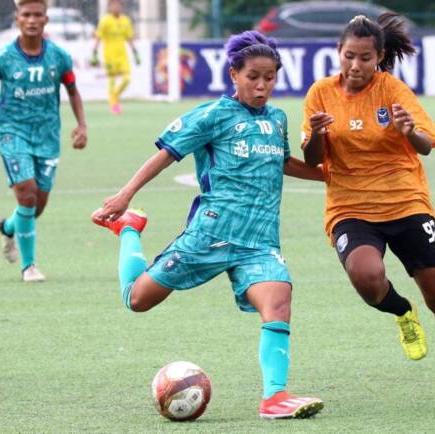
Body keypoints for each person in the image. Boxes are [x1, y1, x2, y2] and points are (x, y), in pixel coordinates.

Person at [92, 30, 325, 419]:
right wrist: (125, 196)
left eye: (269, 77)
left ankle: (274, 397)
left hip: (259, 240)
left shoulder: (277, 119)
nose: (262, 85)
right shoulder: (213, 115)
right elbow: (166, 154)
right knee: (138, 299)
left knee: (279, 300)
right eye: (253, 76)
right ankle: (129, 229)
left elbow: (282, 163)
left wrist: (331, 177)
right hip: (211, 234)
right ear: (234, 74)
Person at [301, 14, 435, 399]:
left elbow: (426, 145)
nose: (356, 66)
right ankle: (402, 311)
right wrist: (317, 136)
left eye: (365, 58)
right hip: (350, 206)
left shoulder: (393, 91)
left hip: (406, 201)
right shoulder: (320, 94)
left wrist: (410, 132)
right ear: (338, 53)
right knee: (366, 278)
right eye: (349, 56)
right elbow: (311, 160)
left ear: (380, 57)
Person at [0, 0, 87, 282]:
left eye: (38, 14)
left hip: (48, 137)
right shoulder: (3, 57)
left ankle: (9, 228)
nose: (32, 20)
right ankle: (29, 266)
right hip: (13, 134)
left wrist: (81, 125)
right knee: (26, 194)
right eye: (26, 14)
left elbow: (72, 90)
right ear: (17, 19)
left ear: (46, 19)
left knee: (36, 206)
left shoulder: (59, 56)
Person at [92, 0, 140, 114]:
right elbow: (98, 37)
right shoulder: (105, 21)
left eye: (118, 5)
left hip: (122, 55)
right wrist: (94, 53)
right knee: (112, 80)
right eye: (113, 5)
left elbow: (129, 37)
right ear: (110, 7)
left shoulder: (125, 20)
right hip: (109, 56)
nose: (116, 7)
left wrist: (135, 52)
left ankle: (114, 97)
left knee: (127, 79)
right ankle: (114, 105)